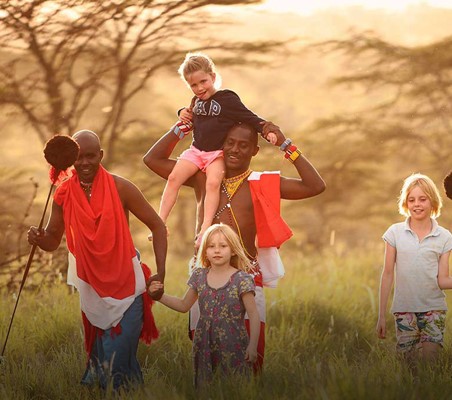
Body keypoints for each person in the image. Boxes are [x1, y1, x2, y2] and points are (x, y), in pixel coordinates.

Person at [143, 120, 326, 372]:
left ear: (255, 150)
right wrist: (184, 125)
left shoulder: (261, 182)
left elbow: (315, 186)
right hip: (204, 273)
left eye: (243, 145)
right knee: (205, 351)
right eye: (229, 143)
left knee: (250, 356)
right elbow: (152, 159)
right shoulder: (202, 177)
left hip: (246, 275)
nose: (235, 150)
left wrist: (285, 144)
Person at [27, 130, 168, 391]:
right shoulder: (63, 194)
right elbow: (52, 241)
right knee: (113, 366)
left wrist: (160, 273)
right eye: (78, 158)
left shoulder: (121, 187)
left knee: (114, 366)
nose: (84, 163)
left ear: (100, 155)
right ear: (70, 159)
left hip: (128, 285)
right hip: (91, 286)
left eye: (90, 156)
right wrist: (37, 238)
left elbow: (157, 226)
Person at [157, 52, 277, 247]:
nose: (199, 88)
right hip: (196, 151)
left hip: (215, 155)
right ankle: (160, 223)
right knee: (173, 178)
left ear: (212, 77)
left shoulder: (227, 99)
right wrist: (181, 112)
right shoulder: (196, 101)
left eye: (203, 82)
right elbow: (189, 114)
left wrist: (267, 130)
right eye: (193, 85)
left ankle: (205, 228)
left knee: (212, 183)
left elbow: (250, 117)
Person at [149, 223, 260, 387]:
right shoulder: (199, 276)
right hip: (204, 343)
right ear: (205, 251)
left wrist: (252, 346)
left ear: (233, 250)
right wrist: (158, 296)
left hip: (233, 342)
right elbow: (183, 305)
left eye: (223, 246)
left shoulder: (241, 279)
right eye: (211, 246)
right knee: (206, 387)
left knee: (233, 386)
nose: (216, 250)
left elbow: (254, 315)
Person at [376, 173, 452, 362]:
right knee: (408, 366)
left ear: (432, 202)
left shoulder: (444, 237)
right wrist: (381, 316)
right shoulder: (394, 233)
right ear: (406, 203)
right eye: (412, 200)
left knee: (430, 363)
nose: (417, 204)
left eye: (422, 199)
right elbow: (387, 275)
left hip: (434, 310)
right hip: (404, 310)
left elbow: (443, 281)